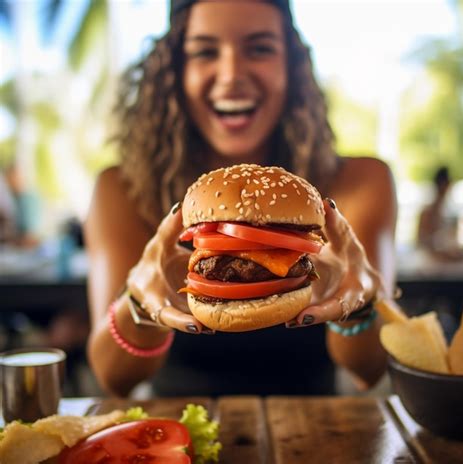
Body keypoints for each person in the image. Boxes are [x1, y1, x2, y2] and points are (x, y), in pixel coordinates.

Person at [85, 0, 397, 397]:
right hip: (179, 438)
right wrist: (139, 303)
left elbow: (368, 371)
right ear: (176, 71)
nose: (231, 75)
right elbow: (114, 378)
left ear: (293, 68)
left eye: (259, 48)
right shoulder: (120, 189)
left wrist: (364, 304)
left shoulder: (360, 180)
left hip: (314, 435)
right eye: (205, 51)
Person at [417, 166, 463, 261]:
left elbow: (452, 243)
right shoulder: (427, 213)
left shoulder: (450, 213)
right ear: (443, 184)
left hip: (446, 264)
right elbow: (421, 243)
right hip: (431, 265)